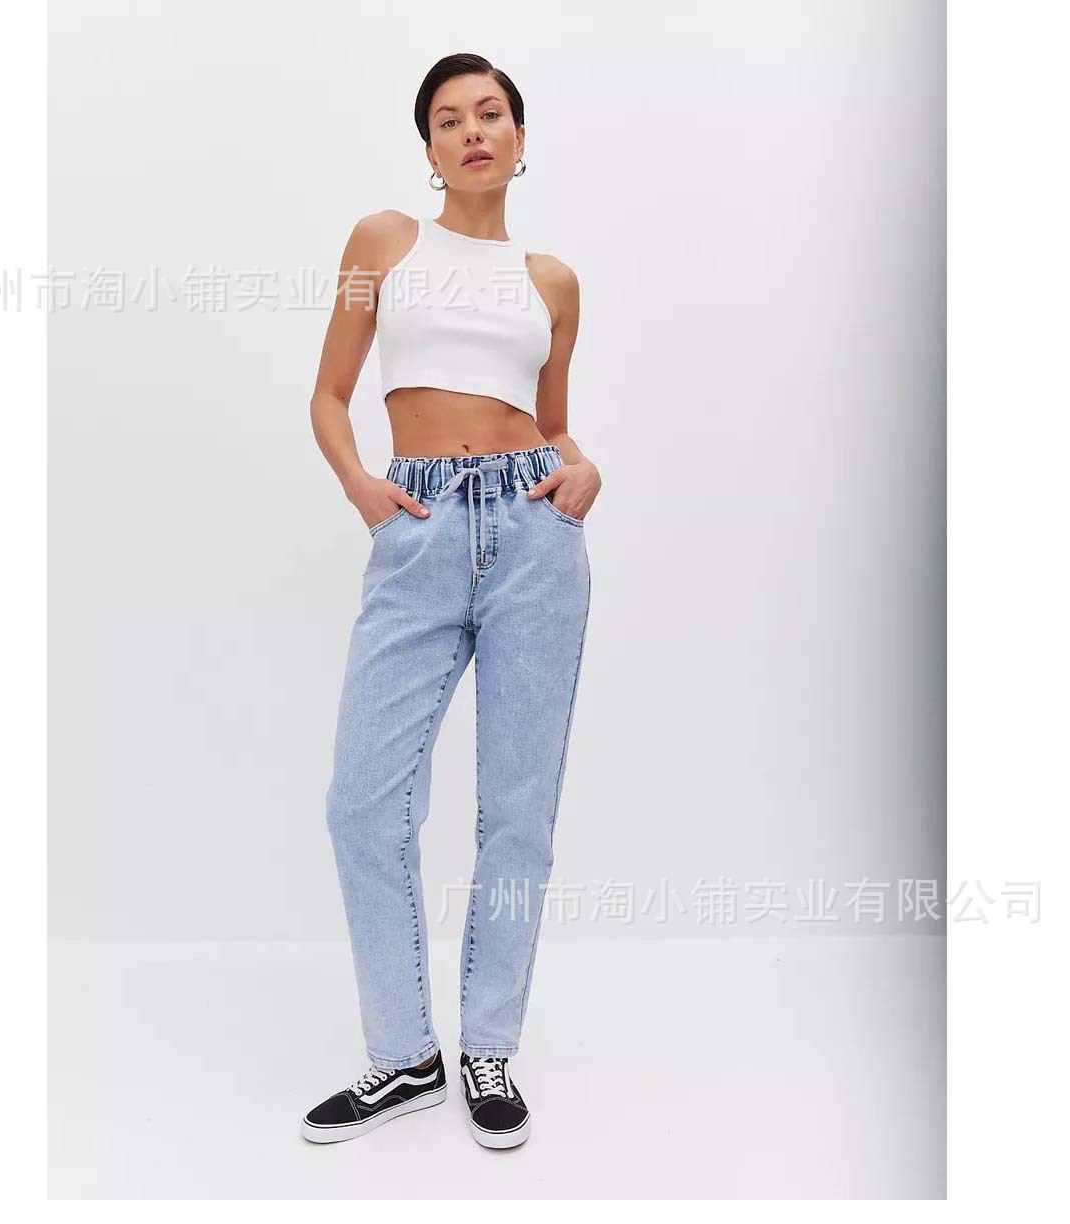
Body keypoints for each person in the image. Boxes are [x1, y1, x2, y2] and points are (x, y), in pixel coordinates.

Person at [301, 52, 600, 1150]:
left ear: (520, 136)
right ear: (428, 148)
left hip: (534, 535)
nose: (472, 131)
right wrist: (363, 490)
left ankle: (487, 1047)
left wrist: (582, 468)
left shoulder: (552, 280)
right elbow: (331, 393)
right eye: (447, 119)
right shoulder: (384, 242)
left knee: (517, 811)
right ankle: (404, 1056)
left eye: (490, 114)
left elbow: (553, 422)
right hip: (419, 527)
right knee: (362, 803)